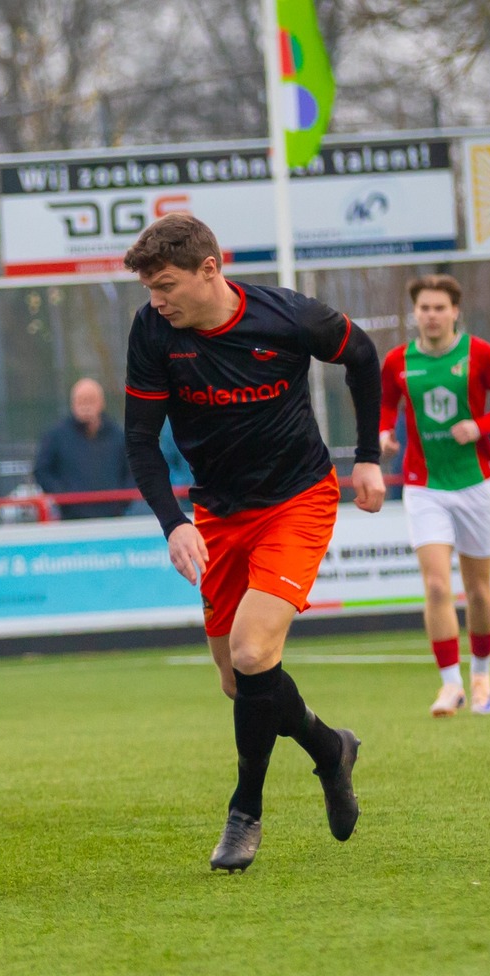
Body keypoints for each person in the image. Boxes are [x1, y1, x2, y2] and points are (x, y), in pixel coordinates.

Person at [123, 213, 386, 873]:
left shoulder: (288, 316)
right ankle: (330, 749)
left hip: (297, 500)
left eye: (166, 285)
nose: (157, 301)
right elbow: (139, 442)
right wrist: (174, 522)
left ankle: (245, 813)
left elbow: (363, 355)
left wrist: (367, 456)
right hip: (215, 513)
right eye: (151, 289)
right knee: (239, 682)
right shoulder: (153, 331)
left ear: (210, 269)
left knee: (251, 650)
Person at [379, 275, 490, 717]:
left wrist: (480, 426)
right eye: (424, 308)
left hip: (474, 482)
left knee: (478, 589)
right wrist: (384, 432)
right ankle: (449, 685)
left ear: (455, 311)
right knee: (437, 585)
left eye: (440, 307)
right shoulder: (398, 360)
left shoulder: (479, 353)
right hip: (424, 485)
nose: (432, 315)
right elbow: (386, 404)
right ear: (415, 312)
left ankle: (481, 676)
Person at [33, 378, 132, 519]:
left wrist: (121, 502)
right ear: (72, 403)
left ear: (102, 402)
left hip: (113, 518)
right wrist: (64, 497)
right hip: (72, 520)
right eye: (80, 400)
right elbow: (42, 471)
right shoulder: (56, 436)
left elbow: (132, 471)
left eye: (90, 400)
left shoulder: (117, 436)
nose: (85, 406)